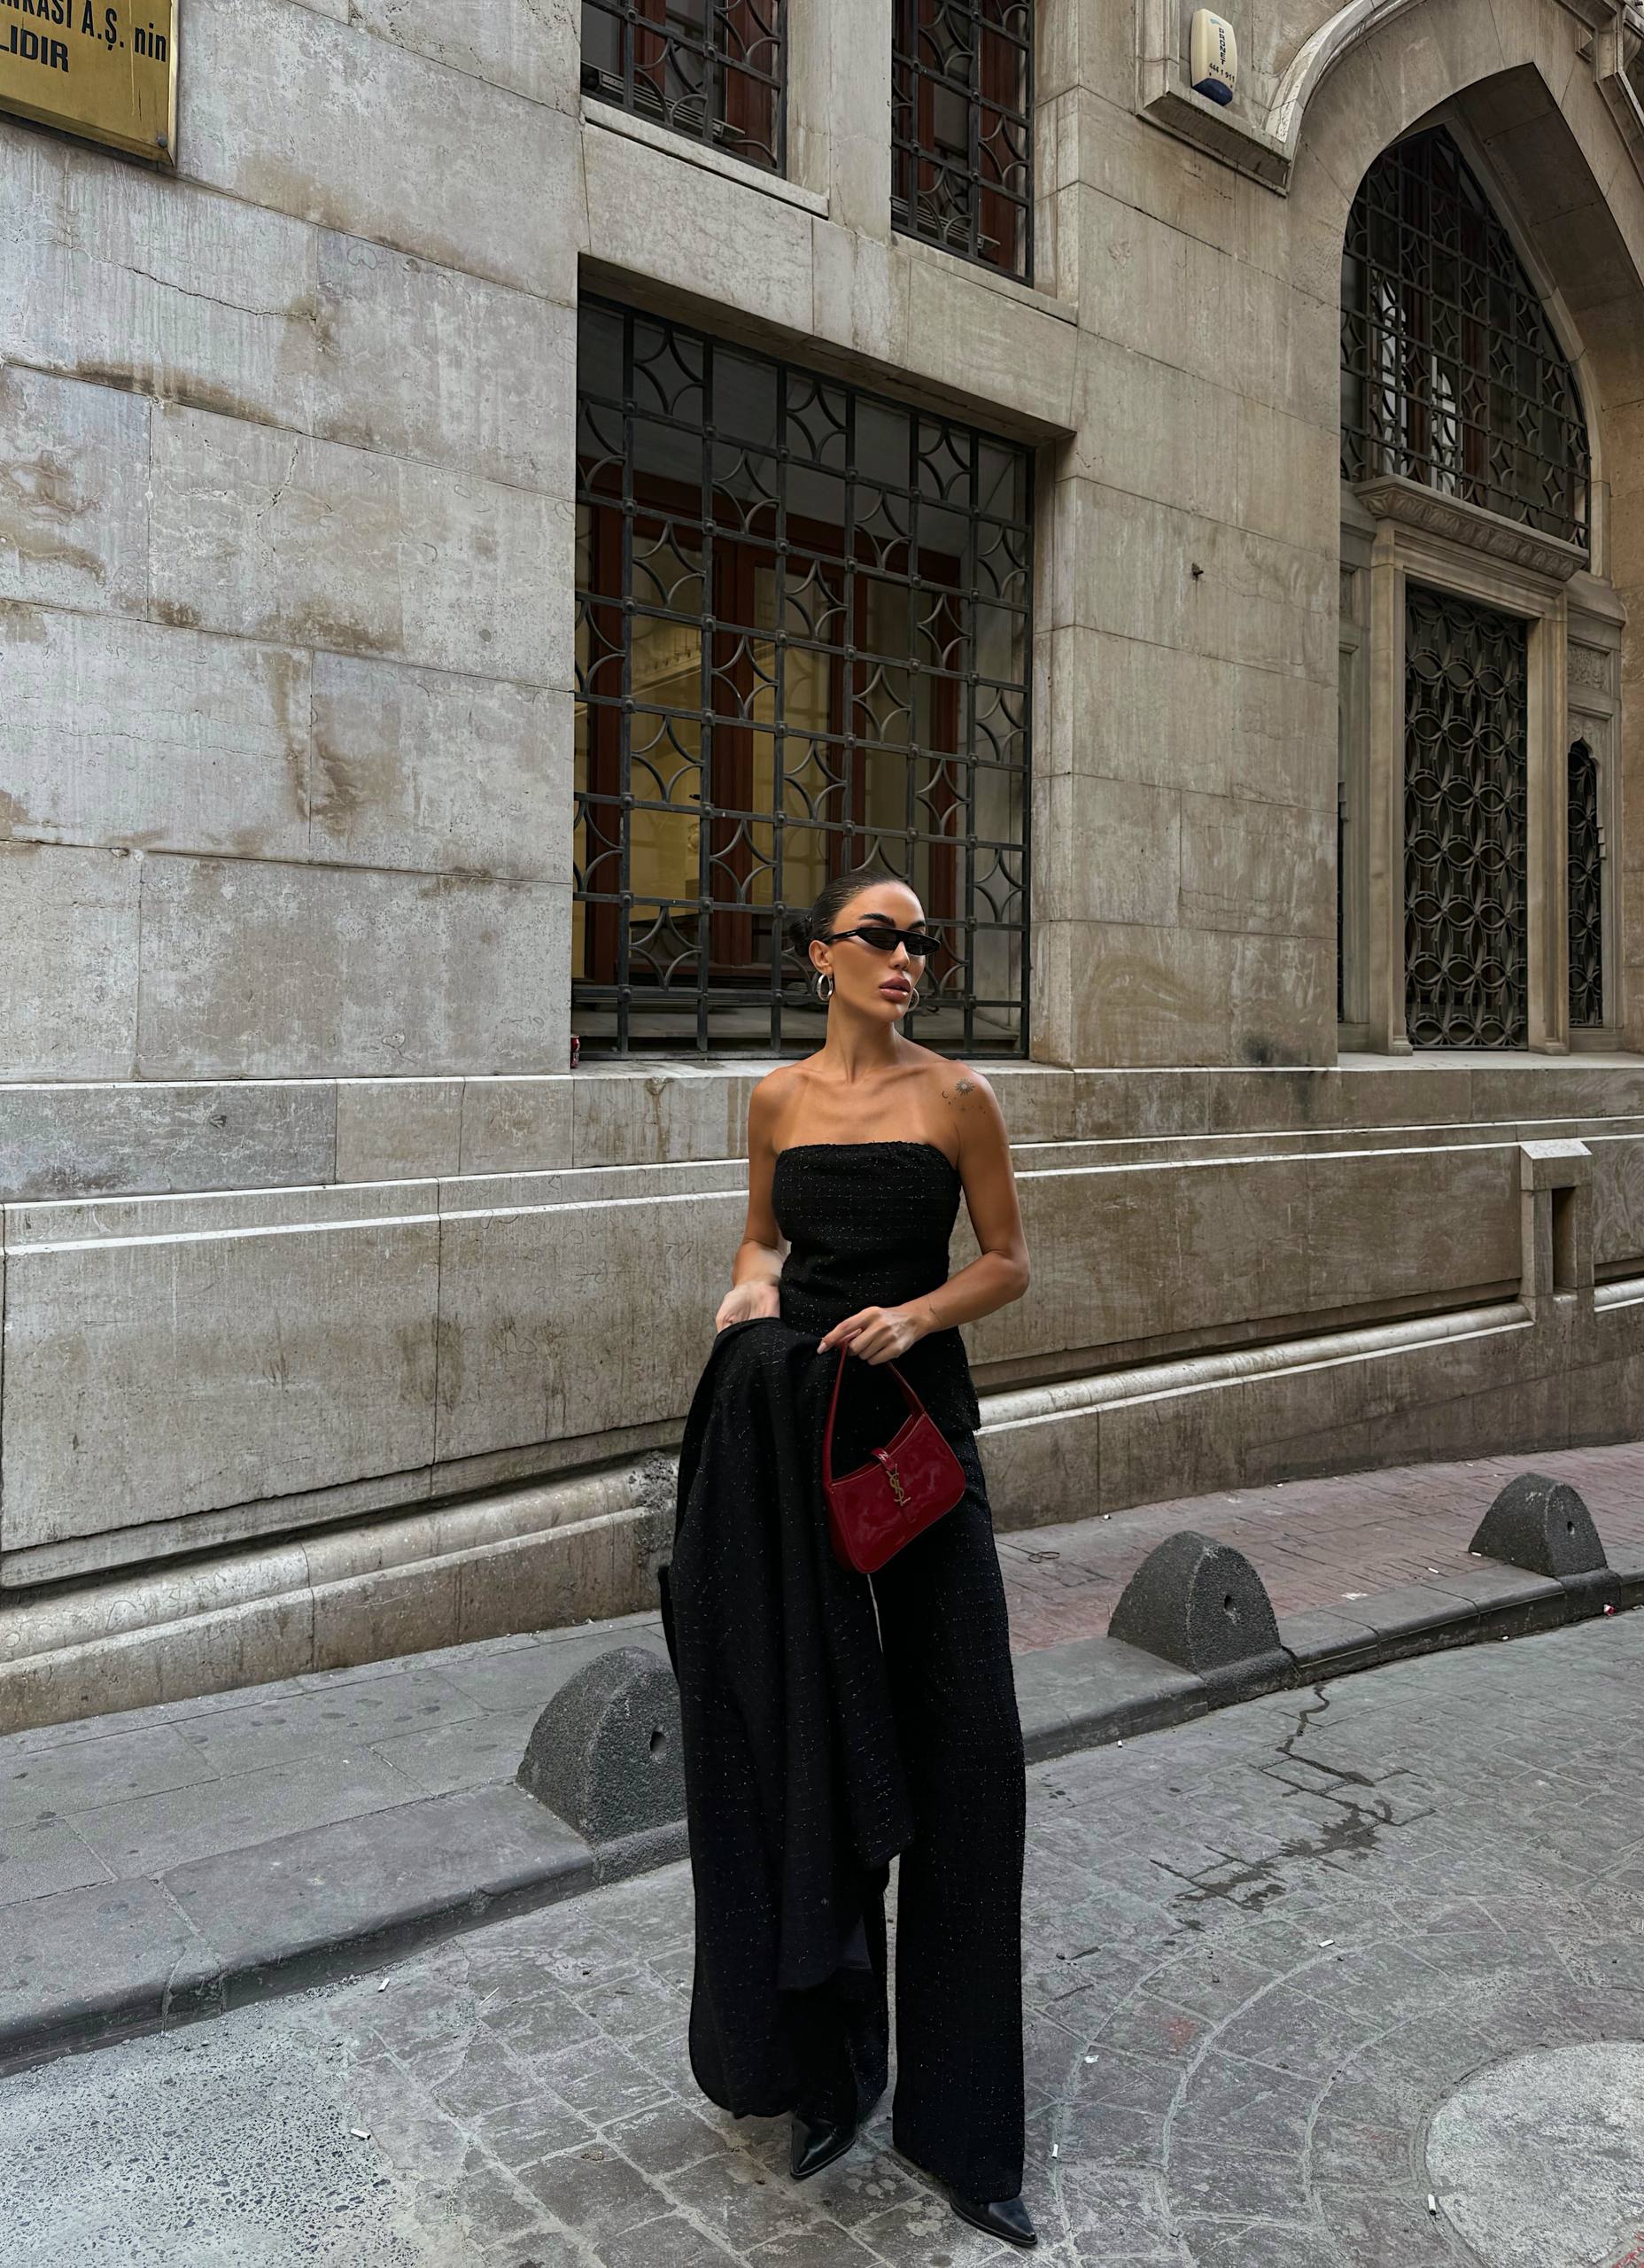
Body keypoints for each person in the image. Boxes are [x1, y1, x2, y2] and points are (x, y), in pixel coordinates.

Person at [699, 866, 1036, 2249]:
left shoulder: (958, 1098)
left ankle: (965, 2133)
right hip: (801, 1441)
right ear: (821, 956)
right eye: (881, 938)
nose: (907, 960)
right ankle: (834, 2075)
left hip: (920, 1448)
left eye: (921, 943)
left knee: (969, 1752)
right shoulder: (776, 1101)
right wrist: (752, 1284)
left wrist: (919, 1316)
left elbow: (1008, 1260)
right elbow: (763, 1232)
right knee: (819, 1754)